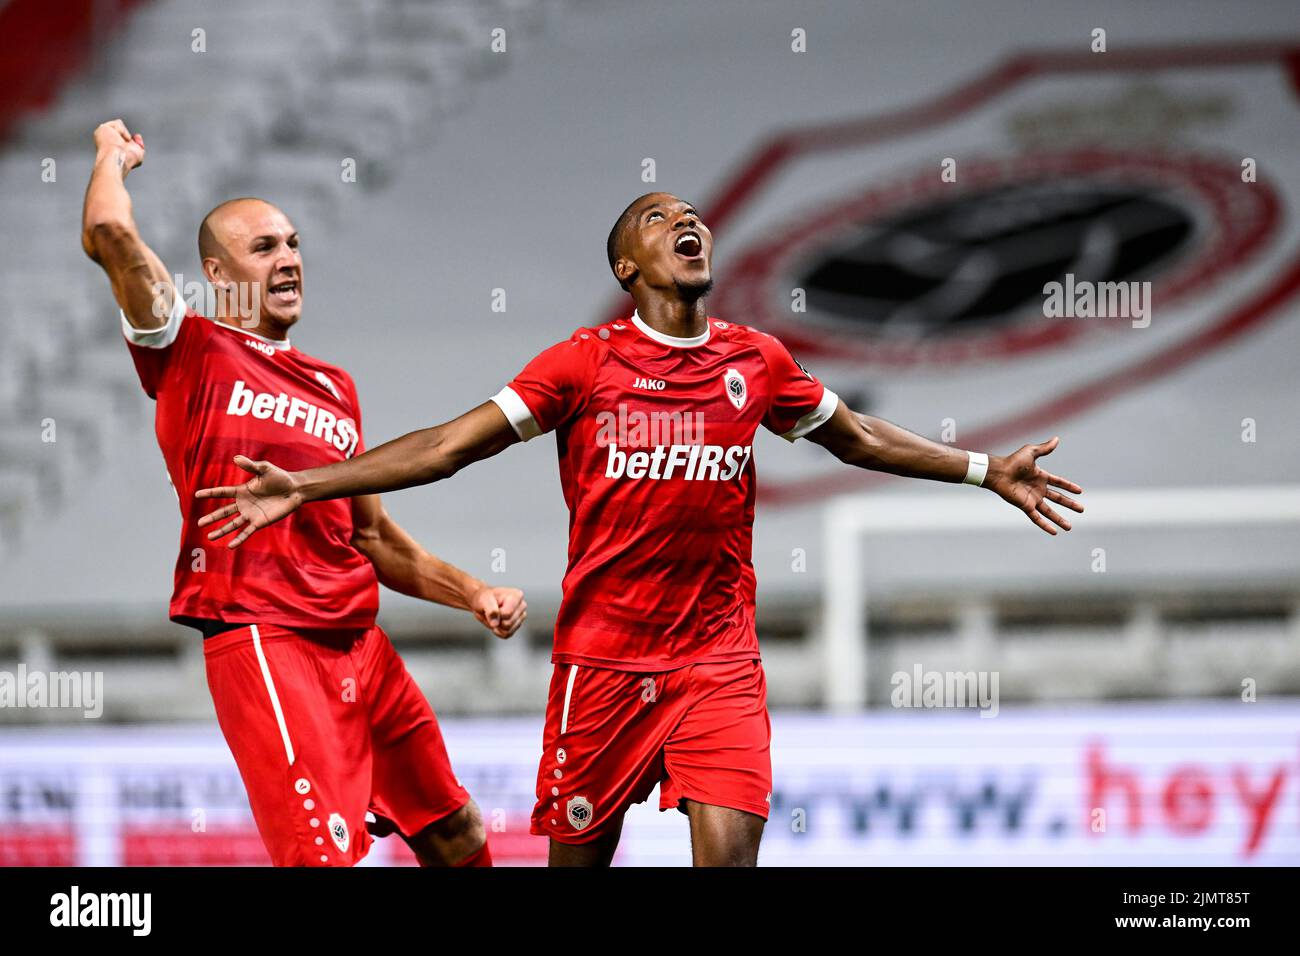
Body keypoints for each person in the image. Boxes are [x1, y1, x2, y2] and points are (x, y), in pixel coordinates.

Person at [195, 191, 1084, 866]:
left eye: (691, 216)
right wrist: (307, 486)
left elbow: (857, 438)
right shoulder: (585, 364)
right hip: (604, 666)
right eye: (659, 220)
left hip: (716, 661)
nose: (684, 221)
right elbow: (444, 446)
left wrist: (982, 469)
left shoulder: (756, 361)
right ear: (628, 267)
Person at [80, 119, 526, 867]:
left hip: (361, 645)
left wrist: (472, 592)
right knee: (322, 860)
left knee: (460, 836)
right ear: (216, 274)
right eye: (264, 249)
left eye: (293, 245)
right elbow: (108, 234)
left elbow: (374, 539)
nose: (288, 260)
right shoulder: (187, 350)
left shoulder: (334, 387)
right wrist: (109, 159)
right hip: (264, 639)